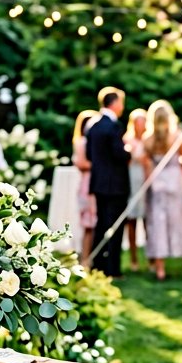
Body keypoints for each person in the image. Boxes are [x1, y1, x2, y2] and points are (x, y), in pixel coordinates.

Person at [142, 100, 182, 281]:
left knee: (158, 224)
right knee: (181, 223)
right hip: (175, 181)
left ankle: (160, 270)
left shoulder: (147, 139)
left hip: (157, 183)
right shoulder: (179, 136)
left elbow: (146, 164)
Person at [85, 87, 130, 277]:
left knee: (101, 224)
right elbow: (119, 154)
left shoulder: (93, 126)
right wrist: (129, 151)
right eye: (121, 102)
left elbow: (89, 155)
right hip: (116, 185)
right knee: (115, 227)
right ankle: (113, 268)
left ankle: (98, 265)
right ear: (114, 103)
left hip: (99, 183)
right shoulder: (113, 126)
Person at [72, 109, 98, 266]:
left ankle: (90, 257)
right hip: (88, 184)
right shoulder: (82, 142)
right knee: (89, 224)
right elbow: (82, 163)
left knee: (93, 224)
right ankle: (86, 259)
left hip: (90, 182)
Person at [124, 108, 148, 272]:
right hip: (132, 181)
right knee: (131, 220)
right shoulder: (127, 140)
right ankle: (133, 258)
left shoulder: (149, 140)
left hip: (146, 181)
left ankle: (151, 258)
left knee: (148, 220)